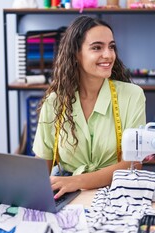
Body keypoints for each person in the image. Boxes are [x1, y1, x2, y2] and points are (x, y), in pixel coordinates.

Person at [32, 16, 146, 199]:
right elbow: (42, 166)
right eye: (97, 47)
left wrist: (76, 181)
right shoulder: (54, 102)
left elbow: (133, 164)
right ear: (76, 54)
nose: (108, 55)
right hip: (67, 195)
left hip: (116, 192)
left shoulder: (132, 96)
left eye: (111, 46)